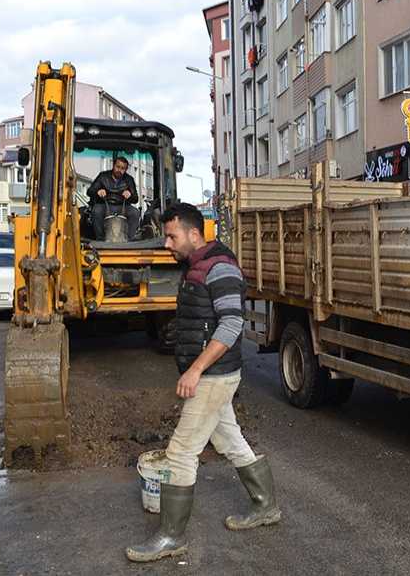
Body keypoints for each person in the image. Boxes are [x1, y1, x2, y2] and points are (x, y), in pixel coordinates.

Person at [126, 202, 282, 563]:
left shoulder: (220, 268)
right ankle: (266, 506)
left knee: (181, 453)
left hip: (214, 376)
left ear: (194, 234)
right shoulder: (197, 265)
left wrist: (195, 369)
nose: (167, 244)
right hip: (215, 374)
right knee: (231, 440)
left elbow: (231, 326)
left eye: (171, 236)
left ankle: (171, 538)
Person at [87, 156, 140, 240]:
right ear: (113, 165)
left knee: (135, 213)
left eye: (123, 168)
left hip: (122, 206)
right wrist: (98, 192)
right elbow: (89, 191)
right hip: (104, 204)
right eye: (118, 167)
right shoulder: (103, 176)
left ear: (126, 170)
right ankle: (100, 239)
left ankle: (130, 239)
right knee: (96, 211)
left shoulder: (129, 179)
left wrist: (130, 195)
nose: (119, 170)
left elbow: (136, 199)